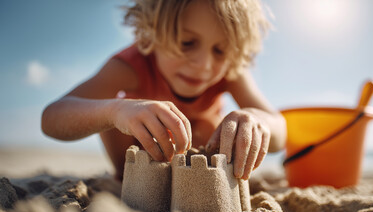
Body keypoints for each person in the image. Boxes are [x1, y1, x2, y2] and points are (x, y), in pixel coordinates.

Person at [41, 0, 286, 181]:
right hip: (139, 162)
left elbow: (281, 131)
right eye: (187, 43)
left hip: (200, 167)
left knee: (204, 129)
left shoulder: (230, 70)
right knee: (112, 113)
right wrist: (116, 110)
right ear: (153, 32)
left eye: (220, 50)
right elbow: (51, 117)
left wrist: (257, 120)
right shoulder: (132, 65)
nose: (204, 64)